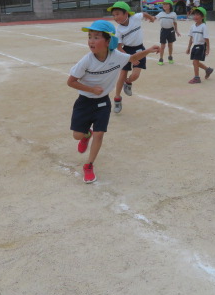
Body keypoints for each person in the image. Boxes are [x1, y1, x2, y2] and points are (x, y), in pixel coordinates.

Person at [68, 20, 159, 183]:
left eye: (96, 37)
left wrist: (149, 50)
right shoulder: (86, 60)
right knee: (77, 135)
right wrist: (91, 89)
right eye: (89, 37)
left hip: (103, 102)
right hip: (84, 102)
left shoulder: (116, 56)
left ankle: (89, 165)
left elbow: (132, 58)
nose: (91, 41)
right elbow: (71, 82)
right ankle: (86, 134)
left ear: (108, 41)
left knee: (99, 134)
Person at [107, 1, 157, 114]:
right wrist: (130, 58)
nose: (115, 17)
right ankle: (117, 98)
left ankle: (128, 82)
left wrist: (151, 18)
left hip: (139, 49)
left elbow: (144, 14)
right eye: (113, 15)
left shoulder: (135, 18)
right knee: (122, 74)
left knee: (135, 75)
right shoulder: (118, 30)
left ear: (126, 13)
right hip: (125, 51)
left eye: (117, 14)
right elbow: (119, 47)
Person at [186, 7, 213, 83]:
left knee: (195, 62)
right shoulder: (192, 26)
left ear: (203, 17)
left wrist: (207, 49)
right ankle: (208, 69)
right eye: (195, 14)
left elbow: (206, 39)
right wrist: (188, 48)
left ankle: (197, 78)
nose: (195, 16)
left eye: (198, 15)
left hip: (201, 46)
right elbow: (191, 38)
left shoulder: (204, 26)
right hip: (195, 46)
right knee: (195, 62)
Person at [155, 0, 181, 65]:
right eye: (164, 4)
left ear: (170, 6)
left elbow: (175, 23)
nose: (164, 5)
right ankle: (161, 58)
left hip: (171, 30)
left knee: (170, 45)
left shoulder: (173, 14)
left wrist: (176, 31)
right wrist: (149, 18)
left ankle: (170, 56)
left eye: (166, 4)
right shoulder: (161, 14)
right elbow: (154, 18)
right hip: (163, 30)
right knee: (162, 45)